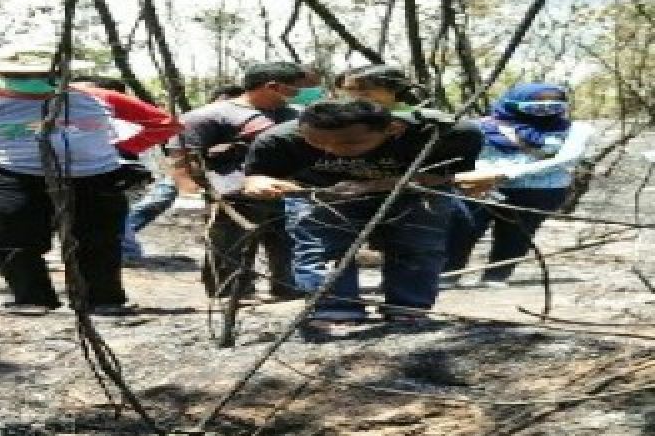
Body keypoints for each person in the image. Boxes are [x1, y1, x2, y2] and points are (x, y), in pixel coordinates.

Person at [0, 46, 181, 315]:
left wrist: (119, 148)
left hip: (95, 179)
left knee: (99, 242)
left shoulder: (100, 99)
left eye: (42, 73)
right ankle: (32, 298)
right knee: (14, 242)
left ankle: (103, 300)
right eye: (22, 75)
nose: (32, 80)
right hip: (11, 179)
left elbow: (164, 124)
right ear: (0, 74)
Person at [243, 99, 483, 325]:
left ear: (393, 129)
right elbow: (257, 176)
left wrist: (368, 186)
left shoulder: (445, 134)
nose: (330, 150)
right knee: (322, 249)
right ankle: (334, 307)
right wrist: (261, 184)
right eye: (316, 143)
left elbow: (442, 175)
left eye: (346, 144)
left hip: (411, 192)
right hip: (321, 194)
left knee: (417, 245)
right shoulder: (277, 139)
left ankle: (408, 307)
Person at [165, 62, 322, 298]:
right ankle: (230, 293)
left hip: (288, 191)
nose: (299, 93)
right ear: (272, 86)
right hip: (233, 194)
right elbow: (183, 157)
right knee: (230, 244)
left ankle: (287, 287)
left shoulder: (297, 116)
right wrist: (189, 192)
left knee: (288, 242)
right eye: (296, 88)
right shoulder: (210, 115)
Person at [444, 83, 595, 286]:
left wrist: (505, 174)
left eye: (553, 103)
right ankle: (447, 276)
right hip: (480, 188)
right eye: (537, 103)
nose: (545, 109)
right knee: (462, 229)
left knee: (516, 236)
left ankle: (496, 277)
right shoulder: (478, 126)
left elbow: (567, 159)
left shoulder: (577, 129)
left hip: (541, 191)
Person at [120, 84, 247, 261]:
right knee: (156, 201)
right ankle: (121, 239)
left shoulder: (241, 119)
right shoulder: (200, 117)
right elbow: (179, 147)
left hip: (223, 172)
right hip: (187, 169)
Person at [334, 65, 428, 115]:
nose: (359, 94)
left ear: (393, 88)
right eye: (350, 89)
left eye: (369, 86)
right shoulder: (338, 121)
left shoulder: (421, 118)